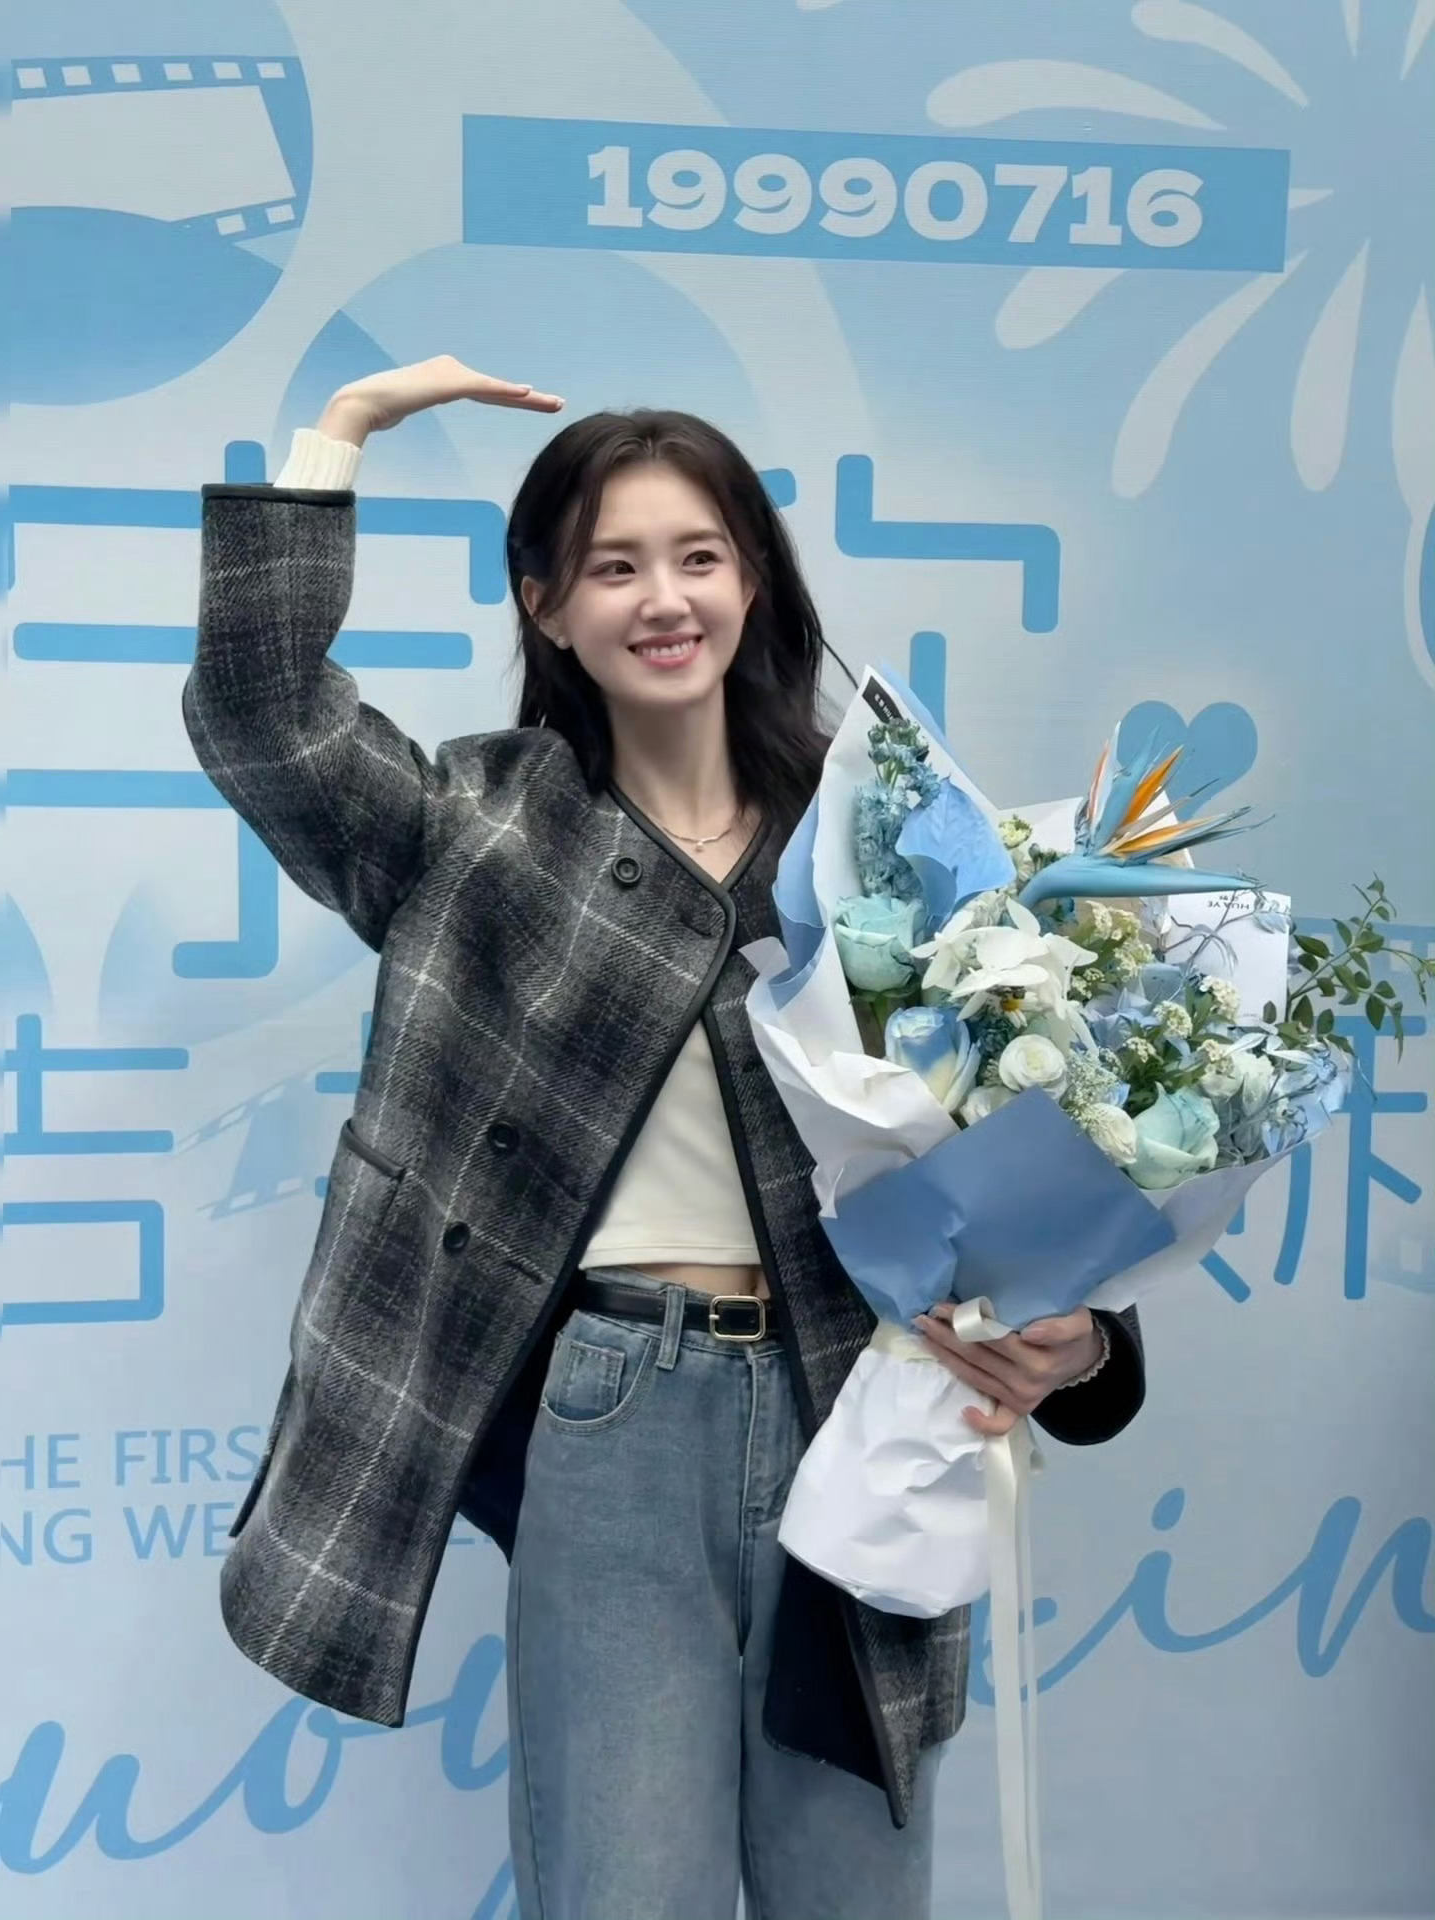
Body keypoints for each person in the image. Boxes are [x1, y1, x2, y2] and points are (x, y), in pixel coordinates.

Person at [185, 356, 1146, 1920]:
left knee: (855, 1891)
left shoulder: (889, 842)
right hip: (616, 1416)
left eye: (698, 556)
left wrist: (1082, 1340)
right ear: (547, 605)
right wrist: (340, 434)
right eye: (612, 565)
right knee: (628, 1888)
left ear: (753, 582)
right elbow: (262, 719)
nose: (663, 598)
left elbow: (1029, 1140)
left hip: (864, 1418)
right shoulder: (475, 828)